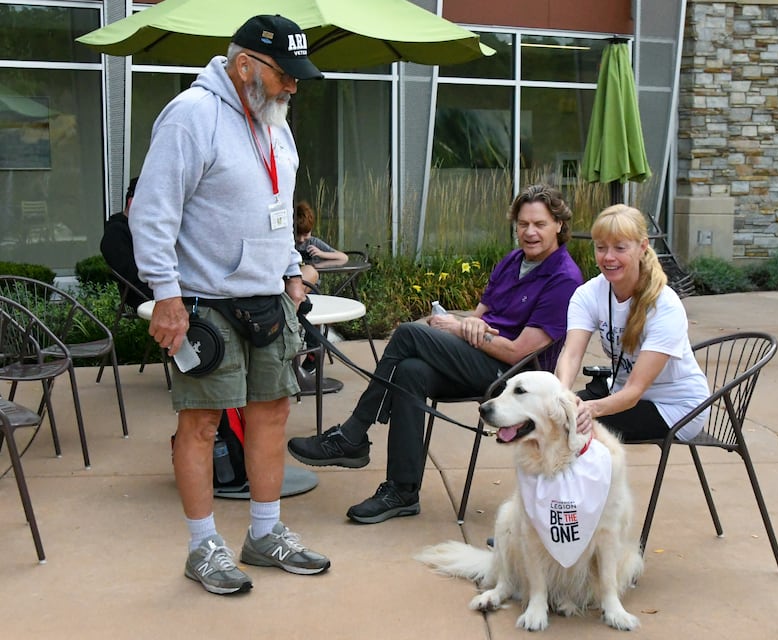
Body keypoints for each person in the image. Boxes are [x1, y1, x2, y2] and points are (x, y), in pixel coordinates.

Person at [129, 14, 330, 596]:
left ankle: (264, 535)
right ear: (245, 65)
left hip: (269, 298)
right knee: (201, 424)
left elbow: (279, 204)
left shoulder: (274, 122)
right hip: (204, 304)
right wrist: (166, 296)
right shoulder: (192, 115)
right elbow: (153, 212)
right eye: (285, 75)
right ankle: (202, 547)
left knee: (271, 413)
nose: (293, 86)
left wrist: (292, 272)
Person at [288, 184, 584, 524]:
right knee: (411, 370)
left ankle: (354, 434)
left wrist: (460, 329)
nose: (529, 232)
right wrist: (460, 325)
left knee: (408, 333)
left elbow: (520, 351)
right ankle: (402, 491)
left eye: (540, 224)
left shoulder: (564, 277)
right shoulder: (512, 260)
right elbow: (479, 317)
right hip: (480, 356)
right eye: (523, 224)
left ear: (559, 225)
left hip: (512, 378)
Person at [555, 204, 709, 442]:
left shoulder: (664, 305)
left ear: (642, 247)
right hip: (621, 395)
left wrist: (588, 409)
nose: (608, 257)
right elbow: (571, 355)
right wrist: (563, 396)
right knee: (552, 418)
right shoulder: (588, 294)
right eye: (601, 247)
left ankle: (597, 480)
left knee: (571, 429)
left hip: (675, 408)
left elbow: (634, 392)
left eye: (620, 248)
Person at [293, 200, 347, 374]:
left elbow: (343, 258)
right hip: (295, 291)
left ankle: (312, 356)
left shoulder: (313, 243)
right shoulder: (288, 244)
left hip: (312, 291)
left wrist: (322, 254)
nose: (301, 240)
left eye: (305, 234)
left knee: (311, 313)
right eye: (298, 235)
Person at [100, 177, 153, 309]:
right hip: (147, 297)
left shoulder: (145, 230)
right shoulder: (116, 233)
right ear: (131, 202)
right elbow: (132, 276)